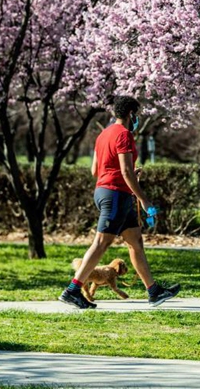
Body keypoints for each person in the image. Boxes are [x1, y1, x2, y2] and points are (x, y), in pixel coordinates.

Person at [58, 96, 180, 309]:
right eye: (137, 115)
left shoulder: (103, 135)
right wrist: (143, 199)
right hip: (115, 196)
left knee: (135, 242)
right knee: (101, 243)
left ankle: (154, 291)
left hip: (110, 193)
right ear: (131, 113)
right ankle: (73, 290)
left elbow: (95, 170)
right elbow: (124, 170)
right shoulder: (124, 135)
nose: (137, 119)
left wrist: (125, 177)